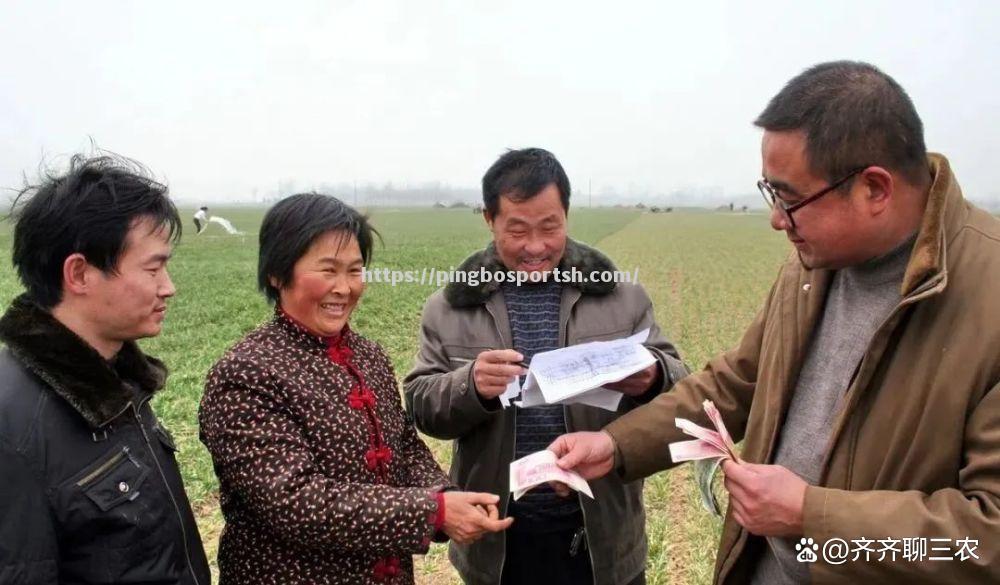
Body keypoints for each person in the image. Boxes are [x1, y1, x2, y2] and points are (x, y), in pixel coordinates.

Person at [550, 61, 1000, 584]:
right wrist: (617, 444)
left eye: (790, 199)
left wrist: (812, 516)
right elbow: (737, 383)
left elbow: (986, 541)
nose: (776, 219)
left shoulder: (987, 299)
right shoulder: (812, 266)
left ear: (874, 189)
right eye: (771, 194)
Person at [403, 148, 690, 585]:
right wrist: (471, 386)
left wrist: (652, 376)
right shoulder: (450, 307)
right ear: (489, 219)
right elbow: (422, 407)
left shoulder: (621, 298)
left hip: (602, 531)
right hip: (498, 535)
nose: (535, 247)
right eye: (517, 230)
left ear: (566, 215)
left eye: (549, 227)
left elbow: (683, 392)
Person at [198, 193, 512, 585]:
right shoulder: (246, 375)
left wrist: (445, 494)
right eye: (328, 270)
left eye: (355, 270)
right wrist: (433, 511)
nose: (344, 288)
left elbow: (404, 447)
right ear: (277, 274)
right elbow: (297, 503)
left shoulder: (367, 356)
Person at [0, 154, 211, 584]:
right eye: (153, 268)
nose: (169, 287)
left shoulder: (117, 380)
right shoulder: (15, 427)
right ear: (79, 273)